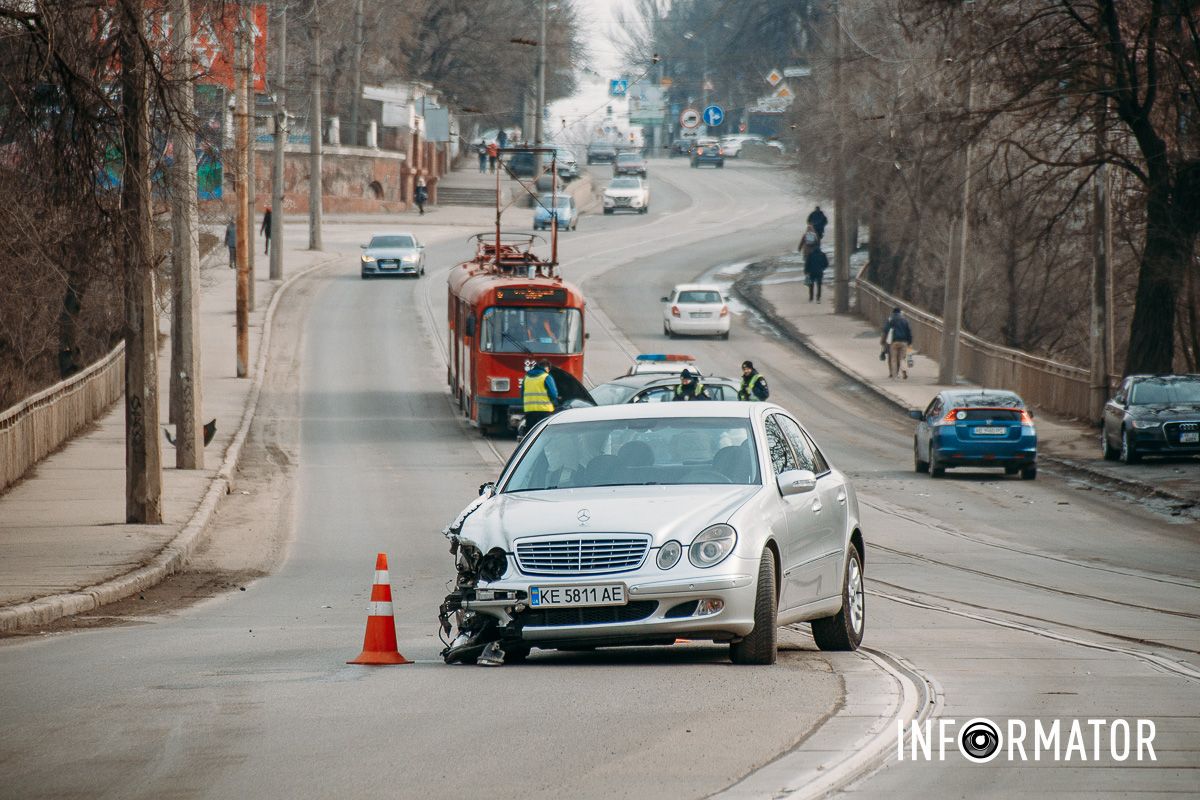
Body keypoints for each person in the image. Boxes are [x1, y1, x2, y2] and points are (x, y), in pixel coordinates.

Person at [522, 359, 558, 430]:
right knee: (543, 432)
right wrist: (555, 402)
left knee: (530, 432)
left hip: (529, 411)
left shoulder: (526, 377)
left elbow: (522, 394)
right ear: (546, 368)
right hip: (545, 411)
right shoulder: (546, 377)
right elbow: (553, 394)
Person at [881, 306, 914, 380]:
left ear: (893, 312)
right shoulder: (905, 320)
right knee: (902, 359)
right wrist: (910, 341)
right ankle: (904, 372)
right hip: (904, 342)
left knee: (894, 359)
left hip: (894, 342)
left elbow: (886, 330)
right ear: (900, 312)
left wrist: (883, 341)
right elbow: (909, 331)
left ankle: (894, 375)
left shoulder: (891, 319)